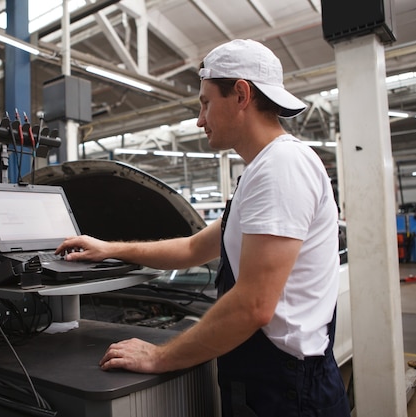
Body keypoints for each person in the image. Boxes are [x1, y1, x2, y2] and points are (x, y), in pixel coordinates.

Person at [55, 39, 350, 417]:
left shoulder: (282, 167)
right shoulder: (261, 171)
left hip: (288, 391)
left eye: (206, 102)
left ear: (241, 94)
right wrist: (109, 248)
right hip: (269, 380)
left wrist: (160, 356)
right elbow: (194, 249)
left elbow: (254, 305)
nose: (199, 119)